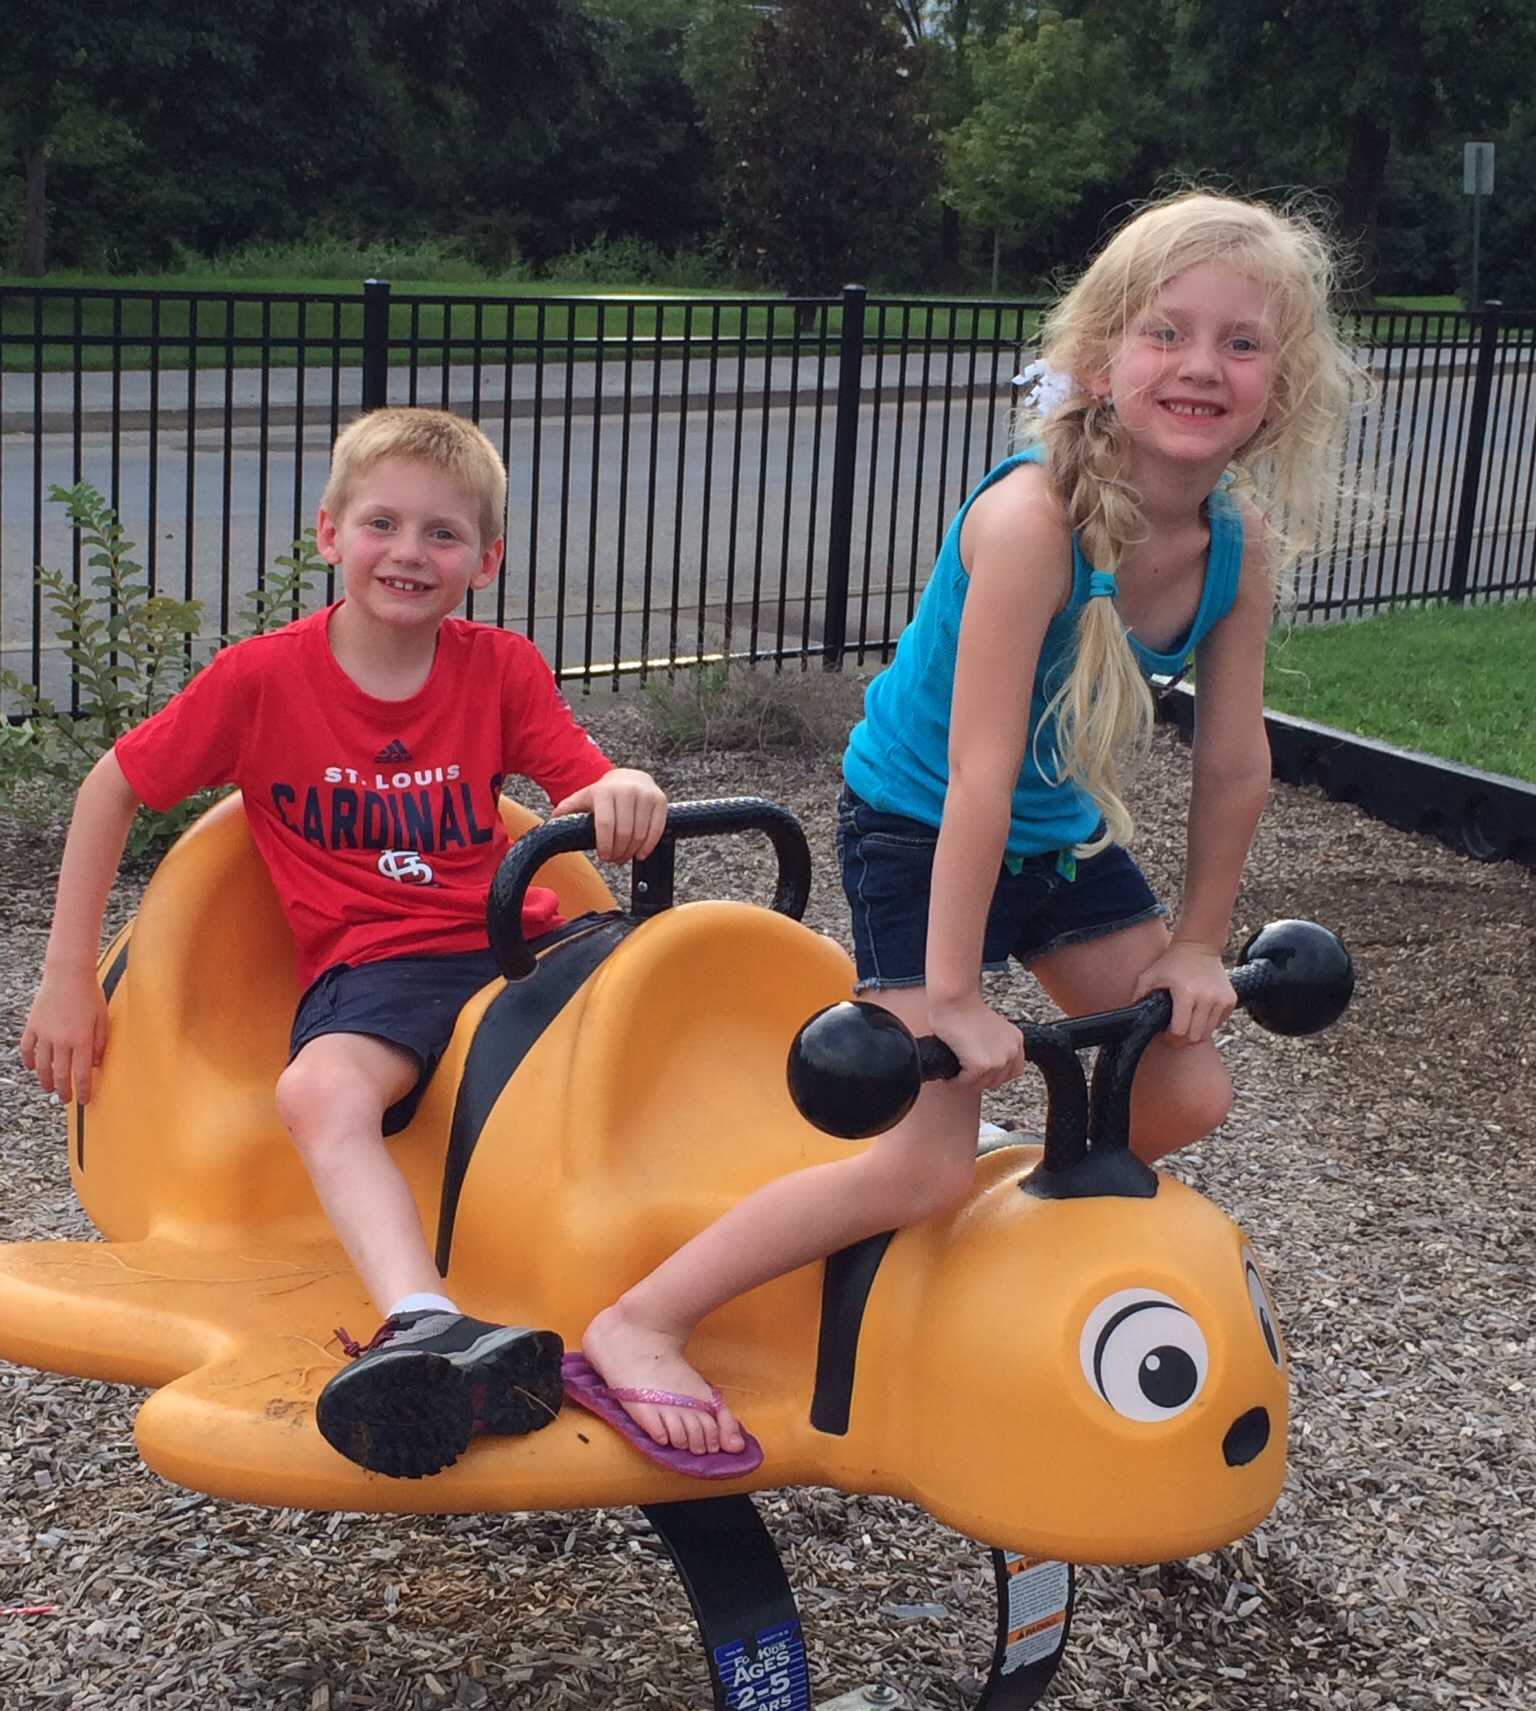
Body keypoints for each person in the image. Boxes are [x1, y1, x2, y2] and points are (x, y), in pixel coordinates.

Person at [571, 192, 1362, 1473]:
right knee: (926, 1167)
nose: (1202, 365)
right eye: (1167, 331)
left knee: (1186, 1087)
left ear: (1284, 386)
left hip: (1055, 835)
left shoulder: (1235, 542)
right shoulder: (1034, 517)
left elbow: (1233, 760)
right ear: (1100, 358)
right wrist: (949, 996)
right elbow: (975, 774)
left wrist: (1199, 941)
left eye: (1242, 342)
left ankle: (961, 1244)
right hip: (919, 821)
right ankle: (641, 1318)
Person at [19, 407, 668, 1481]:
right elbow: (113, 785)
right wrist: (68, 976)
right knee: (319, 1090)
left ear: (486, 560)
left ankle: (719, 1266)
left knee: (665, 1018)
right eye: (383, 523)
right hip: (381, 968)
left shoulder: (501, 667)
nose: (409, 552)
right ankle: (427, 1324)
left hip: (519, 943)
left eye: (443, 533)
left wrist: (620, 788)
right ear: (330, 534)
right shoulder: (262, 679)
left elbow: (582, 780)